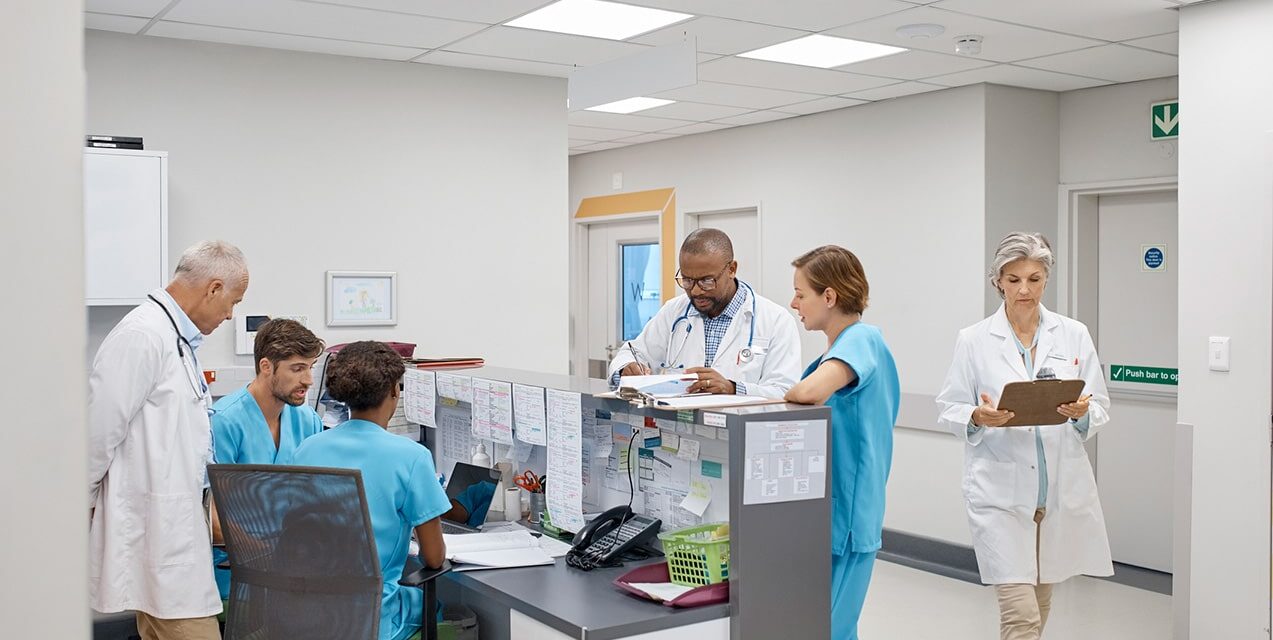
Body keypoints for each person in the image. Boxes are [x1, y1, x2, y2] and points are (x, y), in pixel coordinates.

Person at [936, 232, 1112, 640]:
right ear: (998, 281)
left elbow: (1099, 402)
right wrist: (977, 416)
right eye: (1013, 279)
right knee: (1022, 615)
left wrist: (1083, 414)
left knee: (1040, 601)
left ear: (1046, 280)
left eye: (1034, 278)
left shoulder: (1073, 334)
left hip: (1055, 494)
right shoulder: (975, 340)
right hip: (999, 494)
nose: (1024, 289)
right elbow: (949, 407)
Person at [88, 240, 249, 640]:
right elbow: (97, 431)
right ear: (213, 288)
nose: (231, 315)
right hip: (160, 536)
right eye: (233, 302)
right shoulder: (143, 335)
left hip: (173, 534)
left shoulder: (174, 338)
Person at [292, 341, 449, 640]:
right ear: (393, 391)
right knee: (441, 609)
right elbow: (433, 558)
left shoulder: (307, 449)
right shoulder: (411, 456)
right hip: (376, 621)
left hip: (308, 616)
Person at [783, 245, 899, 640]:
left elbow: (809, 392)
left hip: (850, 516)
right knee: (822, 625)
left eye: (801, 293)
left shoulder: (862, 340)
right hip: (833, 511)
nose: (793, 302)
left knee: (831, 628)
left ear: (829, 296)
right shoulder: (837, 350)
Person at [607, 228, 801, 398]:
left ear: (732, 269)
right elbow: (633, 352)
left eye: (707, 281)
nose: (696, 291)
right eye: (687, 280)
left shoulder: (776, 320)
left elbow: (785, 391)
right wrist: (627, 368)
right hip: (684, 434)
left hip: (743, 433)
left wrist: (734, 388)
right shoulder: (674, 311)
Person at [209, 318, 325, 602]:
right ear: (266, 366)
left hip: (291, 564)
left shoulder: (306, 419)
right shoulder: (224, 422)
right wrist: (268, 556)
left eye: (310, 368)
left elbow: (316, 496)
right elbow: (211, 517)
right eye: (297, 369)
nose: (308, 380)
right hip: (233, 568)